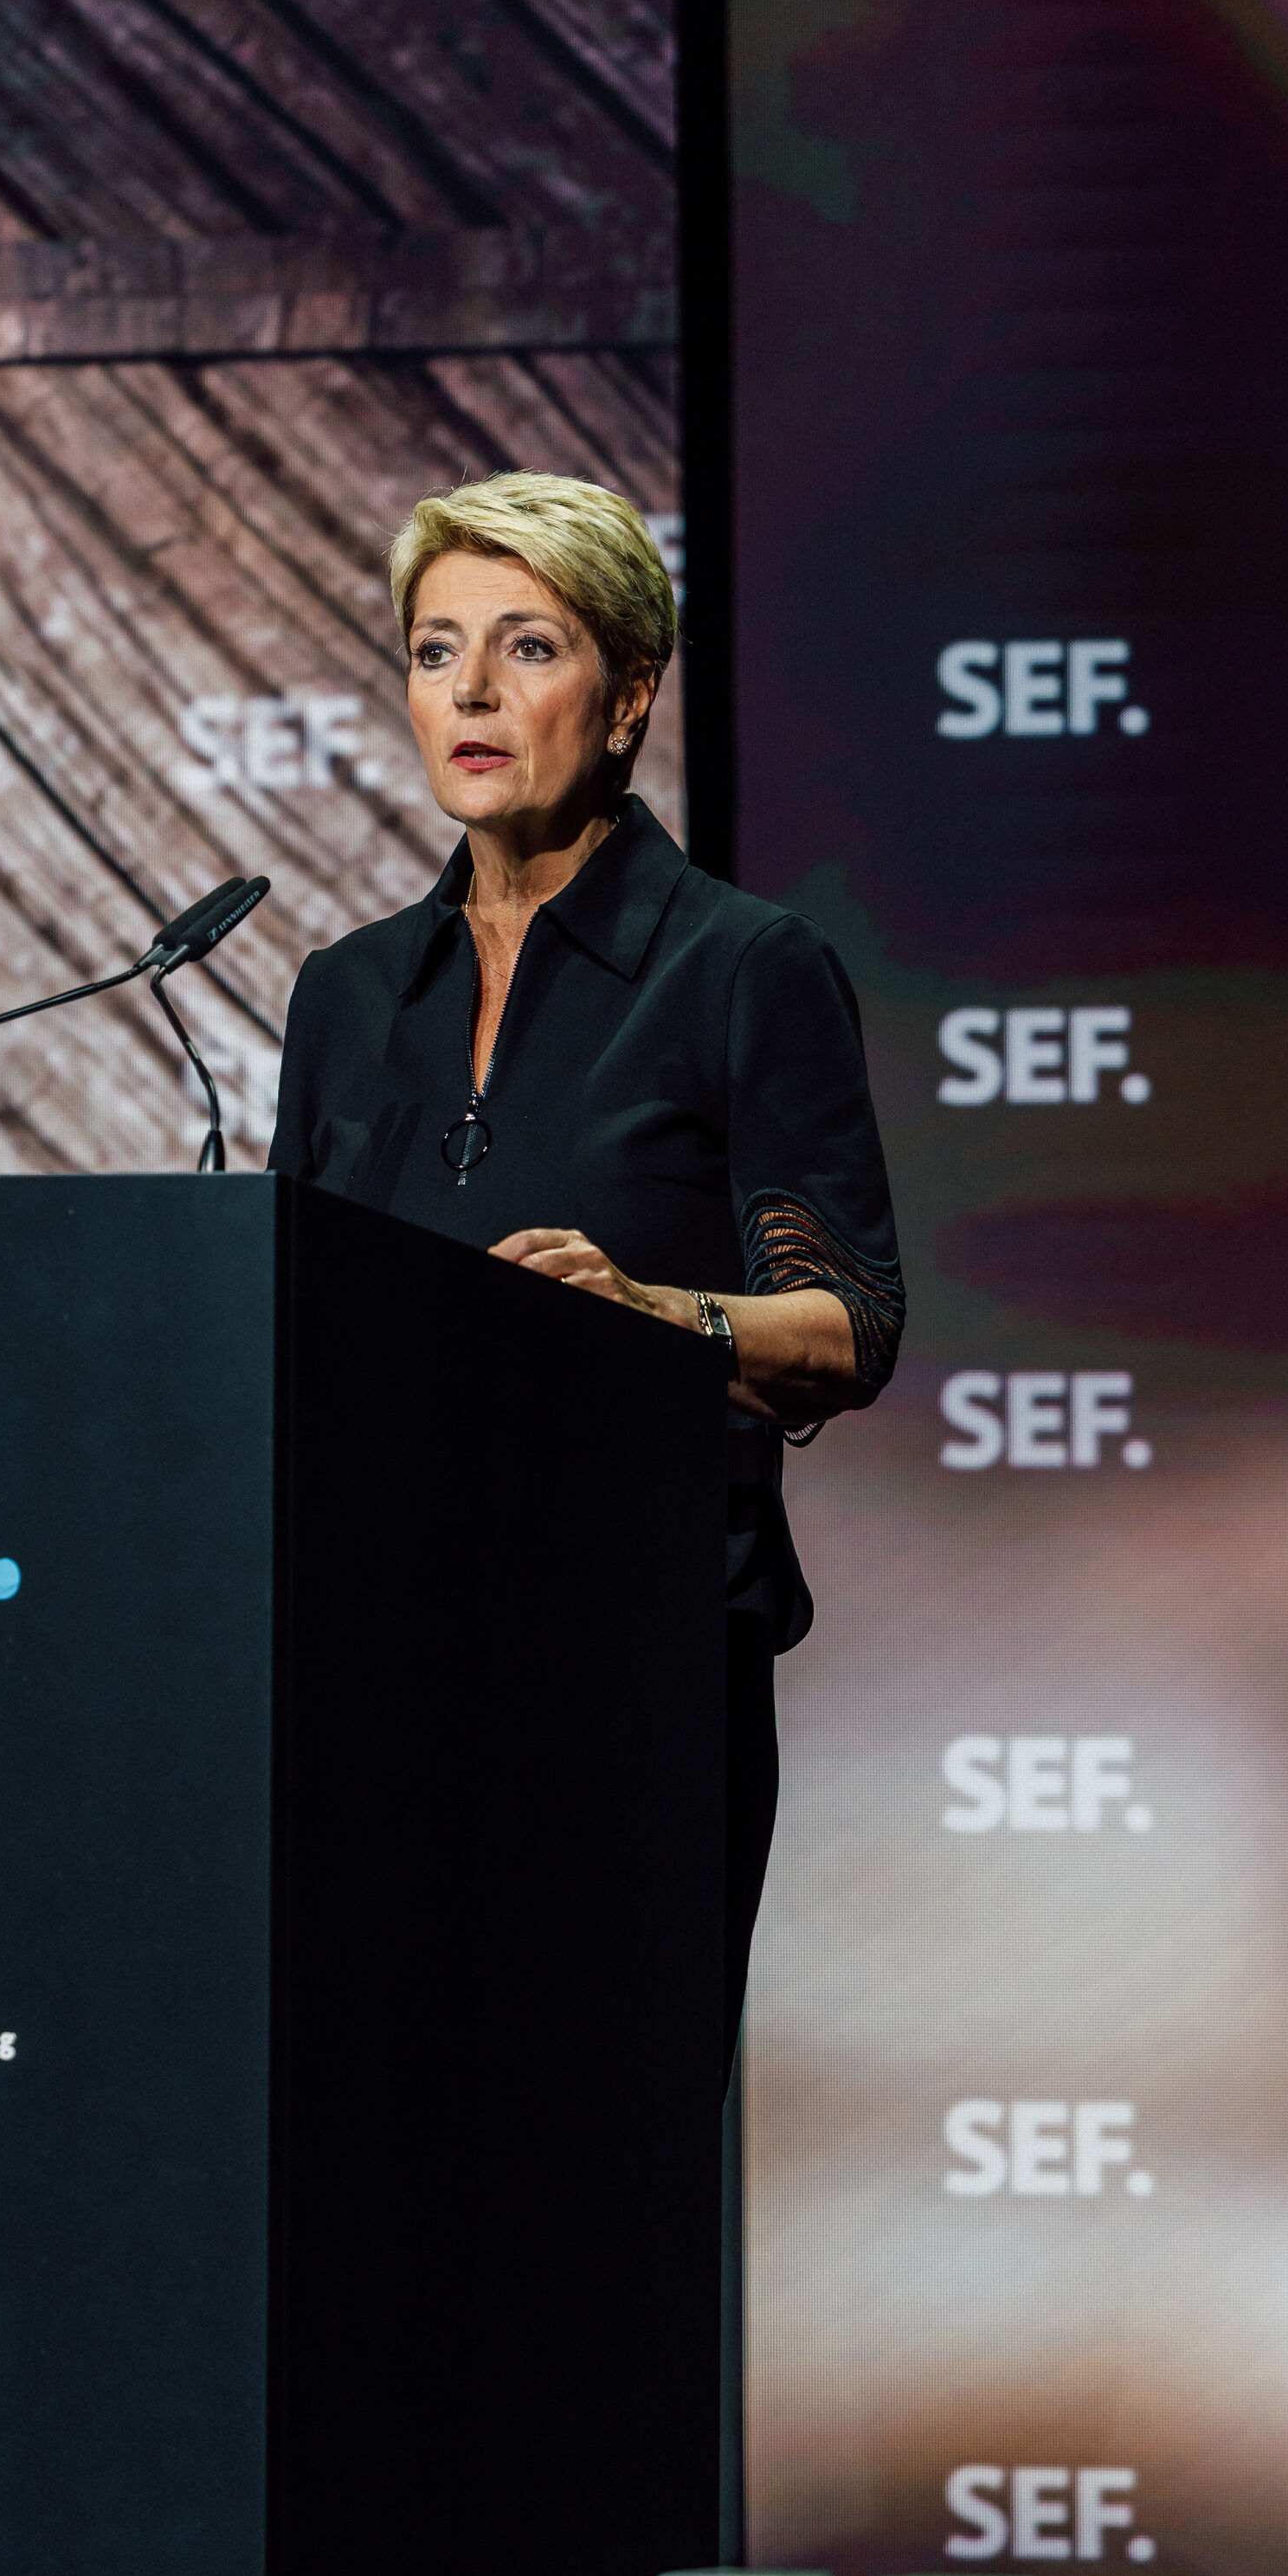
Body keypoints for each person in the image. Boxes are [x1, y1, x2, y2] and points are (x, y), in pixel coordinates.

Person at [268, 468, 903, 2074]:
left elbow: (852, 1324)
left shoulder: (744, 969)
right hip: (372, 1687)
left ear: (628, 698)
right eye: (435, 650)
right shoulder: (345, 996)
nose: (470, 693)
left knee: (584, 2215)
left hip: (629, 1692)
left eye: (526, 648)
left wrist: (648, 1322)